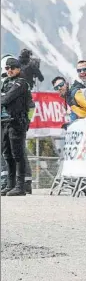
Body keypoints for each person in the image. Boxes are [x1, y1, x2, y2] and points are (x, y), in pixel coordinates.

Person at [1, 56, 31, 196]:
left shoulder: (21, 83)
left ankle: (20, 186)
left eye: (12, 68)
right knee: (7, 154)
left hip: (17, 122)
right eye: (7, 68)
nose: (10, 70)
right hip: (6, 122)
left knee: (17, 155)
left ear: (18, 68)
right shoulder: (7, 82)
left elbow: (7, 98)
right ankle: (10, 184)